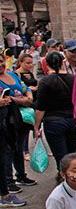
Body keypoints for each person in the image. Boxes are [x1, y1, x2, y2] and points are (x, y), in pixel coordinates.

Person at [34, 51, 76, 178]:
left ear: (46, 64)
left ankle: (65, 179)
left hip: (53, 122)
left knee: (60, 156)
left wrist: (36, 126)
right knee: (71, 153)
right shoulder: (72, 79)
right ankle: (71, 178)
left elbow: (40, 108)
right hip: (72, 120)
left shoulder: (45, 81)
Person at [0, 53, 36, 190]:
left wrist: (27, 98)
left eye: (1, 61)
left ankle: (21, 175)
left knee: (18, 147)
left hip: (21, 118)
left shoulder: (13, 75)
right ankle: (9, 182)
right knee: (8, 149)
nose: (0, 65)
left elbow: (25, 89)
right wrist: (22, 100)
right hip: (6, 119)